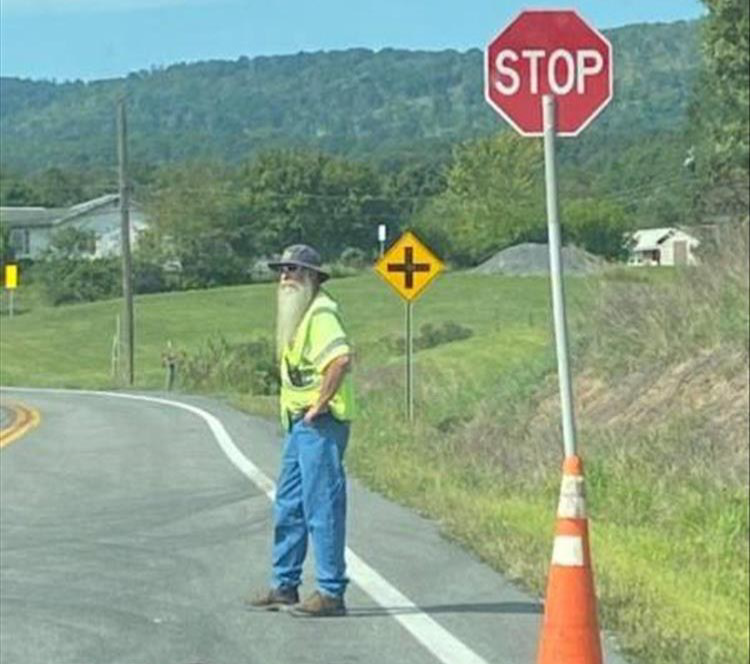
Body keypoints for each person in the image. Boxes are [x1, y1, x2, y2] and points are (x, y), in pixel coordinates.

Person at [247, 244, 355, 617]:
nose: (285, 277)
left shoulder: (321, 313)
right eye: (282, 270)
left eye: (293, 270)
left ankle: (330, 591)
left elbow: (340, 360)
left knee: (321, 505)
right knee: (289, 504)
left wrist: (319, 405)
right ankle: (286, 585)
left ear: (311, 277)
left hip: (320, 425)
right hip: (300, 425)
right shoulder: (297, 315)